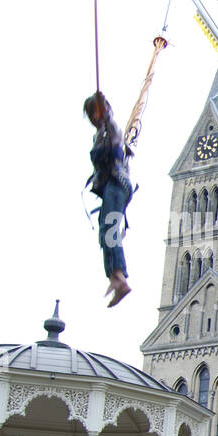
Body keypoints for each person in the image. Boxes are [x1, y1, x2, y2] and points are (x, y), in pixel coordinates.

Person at [83, 91, 133, 307]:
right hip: (109, 188)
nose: (93, 118)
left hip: (117, 184)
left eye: (94, 113)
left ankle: (119, 277)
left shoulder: (111, 128)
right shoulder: (99, 135)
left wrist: (103, 106)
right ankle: (115, 276)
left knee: (111, 228)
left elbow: (112, 138)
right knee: (106, 232)